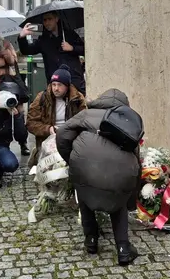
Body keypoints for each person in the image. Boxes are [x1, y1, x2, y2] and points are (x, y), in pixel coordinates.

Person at [56, 89, 140, 266]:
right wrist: (132, 196)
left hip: (84, 168)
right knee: (119, 204)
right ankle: (123, 250)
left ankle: (91, 241)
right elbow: (136, 157)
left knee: (85, 196)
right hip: (120, 173)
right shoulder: (128, 122)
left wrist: (70, 158)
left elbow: (63, 133)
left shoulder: (86, 114)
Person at [26, 64, 87, 166]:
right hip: (47, 139)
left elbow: (84, 121)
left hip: (69, 138)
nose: (56, 88)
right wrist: (48, 129)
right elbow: (30, 123)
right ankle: (37, 154)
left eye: (60, 85)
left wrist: (69, 131)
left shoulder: (77, 99)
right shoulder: (42, 97)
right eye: (54, 84)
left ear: (67, 86)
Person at [18, 12, 86, 95]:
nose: (47, 23)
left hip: (74, 80)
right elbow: (27, 51)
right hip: (55, 82)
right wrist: (22, 37)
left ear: (56, 19)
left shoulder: (69, 34)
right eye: (45, 20)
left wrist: (72, 48)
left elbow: (85, 50)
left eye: (50, 19)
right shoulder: (43, 39)